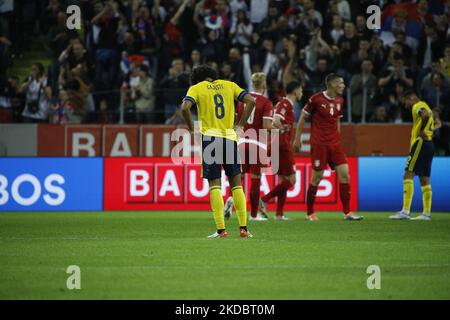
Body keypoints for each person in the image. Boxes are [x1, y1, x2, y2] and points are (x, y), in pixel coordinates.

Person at [181, 64, 256, 238]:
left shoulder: (197, 88)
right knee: (236, 183)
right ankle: (244, 228)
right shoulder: (230, 85)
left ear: (198, 78)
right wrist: (240, 125)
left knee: (215, 184)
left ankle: (221, 230)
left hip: (210, 138)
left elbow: (185, 108)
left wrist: (192, 129)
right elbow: (251, 100)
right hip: (230, 137)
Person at [293, 74, 363, 221]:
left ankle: (347, 212)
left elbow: (337, 120)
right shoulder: (316, 99)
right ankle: (309, 213)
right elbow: (303, 118)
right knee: (317, 178)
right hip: (319, 144)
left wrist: (337, 137)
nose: (343, 86)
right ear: (332, 85)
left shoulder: (340, 100)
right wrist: (297, 139)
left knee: (345, 175)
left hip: (334, 144)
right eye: (341, 83)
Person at [224, 72, 274, 222]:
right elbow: (266, 126)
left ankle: (231, 199)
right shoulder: (266, 102)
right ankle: (253, 215)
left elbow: (235, 120)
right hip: (256, 144)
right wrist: (277, 127)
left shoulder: (242, 100)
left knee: (239, 177)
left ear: (253, 84)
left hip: (241, 142)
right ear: (264, 85)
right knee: (255, 178)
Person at [258, 81, 303, 221]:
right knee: (292, 180)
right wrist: (283, 129)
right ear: (295, 91)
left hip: (278, 143)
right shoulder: (286, 103)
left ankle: (279, 214)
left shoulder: (286, 104)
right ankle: (264, 199)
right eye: (300, 90)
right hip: (282, 144)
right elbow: (276, 120)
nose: (302, 93)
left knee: (284, 180)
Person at [390, 91, 435, 221]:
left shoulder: (417, 106)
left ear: (411, 98)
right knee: (424, 179)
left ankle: (405, 211)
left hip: (420, 143)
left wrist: (421, 131)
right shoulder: (426, 105)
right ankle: (426, 214)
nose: (406, 106)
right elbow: (434, 120)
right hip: (429, 145)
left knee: (408, 174)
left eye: (405, 102)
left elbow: (424, 115)